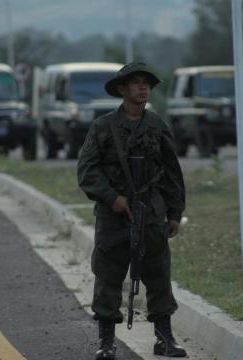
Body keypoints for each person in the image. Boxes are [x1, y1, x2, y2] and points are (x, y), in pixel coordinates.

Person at [77, 62, 187, 359]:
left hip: (151, 212)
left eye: (146, 83)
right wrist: (114, 199)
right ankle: (106, 342)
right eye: (136, 83)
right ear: (122, 89)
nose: (143, 88)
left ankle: (165, 338)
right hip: (114, 216)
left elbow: (171, 172)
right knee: (108, 276)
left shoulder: (156, 125)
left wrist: (175, 212)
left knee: (158, 274)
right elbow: (87, 171)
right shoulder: (103, 127)